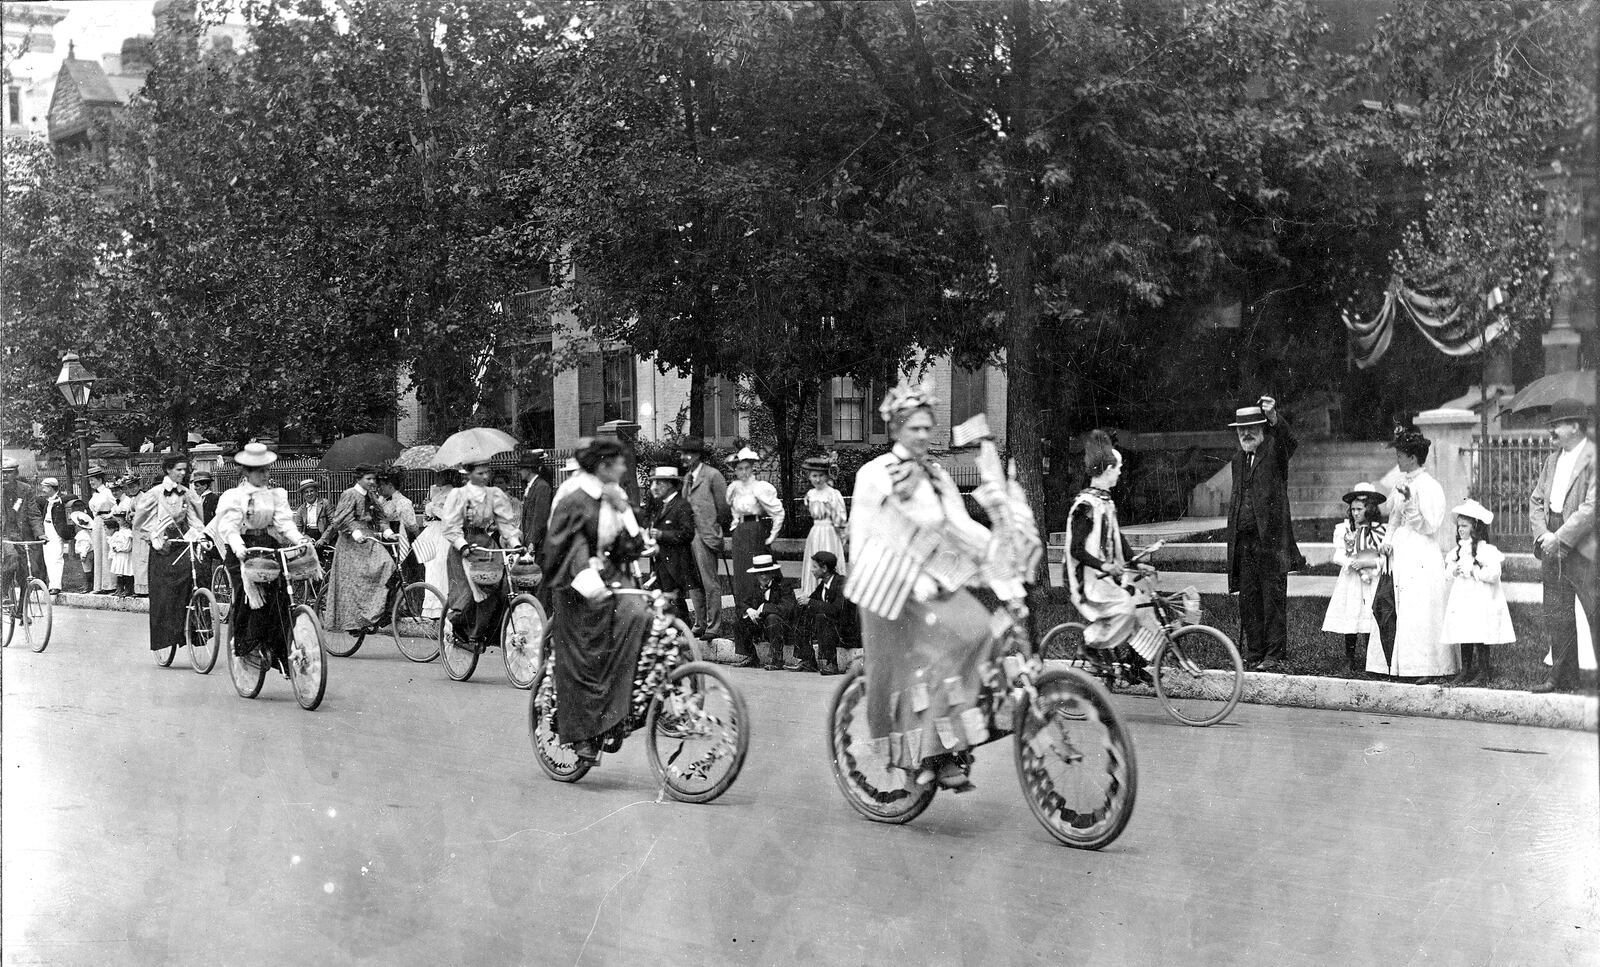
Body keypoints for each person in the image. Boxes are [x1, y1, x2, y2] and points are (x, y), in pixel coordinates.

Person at [848, 383, 994, 793]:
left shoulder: (937, 474)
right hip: (890, 587)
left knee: (980, 629)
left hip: (932, 581)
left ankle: (950, 742)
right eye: (914, 428)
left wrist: (997, 550)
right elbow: (863, 535)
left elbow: (959, 525)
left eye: (928, 427)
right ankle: (927, 755)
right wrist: (906, 580)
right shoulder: (873, 475)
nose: (923, 435)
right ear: (896, 429)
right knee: (935, 654)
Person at [543, 437, 651, 764]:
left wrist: (624, 510)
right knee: (586, 654)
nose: (623, 468)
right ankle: (582, 735)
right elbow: (563, 548)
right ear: (603, 466)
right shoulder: (574, 498)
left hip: (607, 572)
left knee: (640, 614)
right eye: (619, 463)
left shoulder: (612, 493)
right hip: (575, 583)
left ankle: (622, 711)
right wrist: (588, 579)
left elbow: (631, 546)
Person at [209, 442, 312, 674]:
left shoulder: (275, 495)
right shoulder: (234, 496)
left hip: (267, 545)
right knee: (249, 597)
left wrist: (299, 540)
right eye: (259, 471)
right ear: (246, 472)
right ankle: (247, 646)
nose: (265, 475)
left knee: (280, 597)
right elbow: (229, 527)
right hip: (242, 549)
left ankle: (281, 650)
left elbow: (284, 523)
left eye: (267, 469)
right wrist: (238, 547)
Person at [1064, 430, 1157, 686]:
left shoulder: (1106, 502)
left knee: (1146, 605)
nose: (1119, 472)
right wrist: (1105, 565)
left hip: (1106, 577)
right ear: (1106, 470)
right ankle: (1090, 645)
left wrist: (1137, 563)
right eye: (1117, 468)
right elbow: (1076, 550)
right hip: (1086, 581)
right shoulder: (1085, 505)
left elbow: (1118, 540)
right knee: (1126, 607)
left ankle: (1134, 664)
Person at [1225, 396, 1304, 671]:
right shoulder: (1237, 459)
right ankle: (1255, 650)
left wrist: (1274, 418)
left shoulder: (1274, 451)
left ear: (1262, 428)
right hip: (1244, 539)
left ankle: (1274, 653)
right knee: (1248, 596)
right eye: (1241, 430)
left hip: (1269, 540)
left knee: (1272, 596)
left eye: (1252, 428)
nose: (1246, 434)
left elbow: (1290, 441)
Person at [1368, 429, 1453, 681]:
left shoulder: (1430, 487)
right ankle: (1393, 664)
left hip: (1421, 551)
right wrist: (1386, 539)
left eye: (1401, 455)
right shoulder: (1402, 483)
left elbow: (1429, 525)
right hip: (1401, 549)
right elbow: (1393, 517)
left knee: (1419, 607)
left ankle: (1425, 667)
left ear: (1414, 458)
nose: (1398, 460)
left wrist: (1412, 503)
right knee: (1396, 603)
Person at [1529, 398, 1596, 694]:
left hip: (1583, 546)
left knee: (1594, 610)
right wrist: (1543, 533)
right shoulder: (1552, 460)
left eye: (1557, 424)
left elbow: (1592, 508)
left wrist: (1561, 537)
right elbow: (1536, 499)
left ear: (1576, 426)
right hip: (1551, 540)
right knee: (1556, 611)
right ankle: (1562, 677)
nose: (1552, 431)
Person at [440, 460, 521, 650]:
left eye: (487, 473)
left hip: (486, 545)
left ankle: (483, 633)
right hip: (465, 547)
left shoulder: (494, 495)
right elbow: (450, 526)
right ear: (469, 475)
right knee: (468, 595)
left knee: (499, 588)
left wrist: (516, 544)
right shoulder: (458, 495)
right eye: (480, 473)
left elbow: (505, 523)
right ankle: (460, 631)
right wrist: (462, 545)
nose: (485, 477)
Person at [132, 454, 205, 658]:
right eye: (178, 469)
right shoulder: (154, 494)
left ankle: (196, 626)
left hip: (182, 543)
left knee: (198, 573)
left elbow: (195, 521)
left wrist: (200, 536)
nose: (182, 473)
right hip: (162, 548)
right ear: (168, 470)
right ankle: (167, 635)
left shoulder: (188, 495)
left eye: (184, 470)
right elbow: (140, 524)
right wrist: (155, 539)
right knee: (166, 591)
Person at [1442, 499, 1513, 686]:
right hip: (1462, 598)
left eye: (1464, 526)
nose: (1460, 530)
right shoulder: (1457, 551)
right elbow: (1447, 571)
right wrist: (1453, 571)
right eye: (1459, 526)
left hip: (1479, 598)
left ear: (1475, 527)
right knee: (1463, 631)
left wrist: (1475, 572)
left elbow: (1494, 573)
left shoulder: (1486, 550)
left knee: (1480, 632)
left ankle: (1483, 671)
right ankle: (1465, 670)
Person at [321, 465, 397, 635]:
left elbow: (380, 517)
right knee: (354, 582)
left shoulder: (371, 496)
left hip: (368, 538)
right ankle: (354, 622)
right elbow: (341, 519)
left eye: (373, 479)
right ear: (359, 479)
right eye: (368, 479)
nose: (372, 482)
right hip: (351, 542)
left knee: (388, 565)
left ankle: (376, 613)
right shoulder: (349, 494)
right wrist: (354, 531)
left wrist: (388, 532)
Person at [1322, 482, 1387, 674]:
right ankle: (1349, 658)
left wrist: (1367, 563)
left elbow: (1383, 557)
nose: (1356, 513)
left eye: (1360, 509)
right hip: (1351, 579)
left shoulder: (1379, 531)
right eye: (1353, 509)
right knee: (1352, 612)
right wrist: (1352, 562)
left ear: (1370, 509)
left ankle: (1371, 659)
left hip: (1371, 578)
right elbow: (1339, 554)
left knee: (1369, 614)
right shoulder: (1345, 530)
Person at [726, 447, 783, 629]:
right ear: (735, 470)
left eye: (746, 468)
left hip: (755, 531)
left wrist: (772, 535)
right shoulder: (733, 488)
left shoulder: (760, 488)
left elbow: (778, 512)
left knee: (756, 573)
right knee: (741, 575)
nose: (743, 472)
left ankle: (761, 613)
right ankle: (743, 616)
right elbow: (733, 511)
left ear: (752, 468)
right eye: (739, 469)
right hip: (740, 533)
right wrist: (735, 527)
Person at [678, 438, 730, 638]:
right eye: (682, 453)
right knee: (693, 582)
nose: (683, 457)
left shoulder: (712, 475)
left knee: (709, 582)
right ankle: (699, 624)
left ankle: (713, 626)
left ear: (698, 455)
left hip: (705, 535)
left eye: (687, 453)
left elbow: (723, 508)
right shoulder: (688, 477)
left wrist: (713, 526)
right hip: (689, 535)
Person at [644, 466, 699, 620]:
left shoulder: (681, 505)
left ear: (669, 484)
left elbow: (688, 534)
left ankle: (683, 635)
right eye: (653, 483)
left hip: (675, 564)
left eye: (659, 483)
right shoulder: (661, 506)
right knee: (664, 602)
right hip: (661, 563)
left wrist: (663, 534)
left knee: (675, 601)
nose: (654, 488)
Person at [788, 550, 848, 675]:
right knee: (803, 609)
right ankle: (807, 659)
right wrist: (803, 601)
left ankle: (832, 663)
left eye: (814, 567)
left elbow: (837, 609)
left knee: (821, 616)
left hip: (844, 628)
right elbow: (813, 600)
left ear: (824, 568)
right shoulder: (823, 584)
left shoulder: (841, 582)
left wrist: (809, 601)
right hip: (829, 625)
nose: (812, 570)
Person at [731, 553, 796, 669]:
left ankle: (777, 659)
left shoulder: (783, 586)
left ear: (772, 573)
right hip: (762, 627)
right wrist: (749, 610)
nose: (764, 577)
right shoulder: (755, 587)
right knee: (739, 622)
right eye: (760, 574)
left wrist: (764, 608)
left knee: (772, 618)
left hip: (782, 628)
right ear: (755, 575)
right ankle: (751, 656)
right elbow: (741, 603)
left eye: (766, 573)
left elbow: (787, 608)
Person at [800, 456, 847, 598]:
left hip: (829, 531)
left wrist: (840, 531)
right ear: (809, 477)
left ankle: (833, 593)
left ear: (827, 475)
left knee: (828, 558)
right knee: (815, 560)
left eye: (821, 475)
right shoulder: (810, 494)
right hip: (816, 531)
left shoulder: (833, 494)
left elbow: (840, 517)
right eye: (814, 476)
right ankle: (813, 593)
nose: (818, 479)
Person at [1, 459, 45, 605]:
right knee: (12, 559)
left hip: (21, 535)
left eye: (9, 473)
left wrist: (40, 533)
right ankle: (3, 594)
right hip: (5, 535)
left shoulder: (25, 489)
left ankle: (21, 611)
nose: (5, 476)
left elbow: (34, 514)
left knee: (28, 571)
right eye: (3, 473)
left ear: (16, 473)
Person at [376, 468, 423, 587]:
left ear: (390, 485)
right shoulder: (380, 500)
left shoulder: (403, 502)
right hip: (384, 539)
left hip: (398, 540)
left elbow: (412, 526)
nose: (378, 488)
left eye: (381, 485)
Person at [87, 466, 117, 594]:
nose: (91, 482)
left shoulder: (108, 492)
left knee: (106, 551)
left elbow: (117, 504)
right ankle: (99, 586)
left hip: (106, 522)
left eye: (93, 480)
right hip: (97, 522)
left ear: (100, 479)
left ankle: (110, 585)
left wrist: (110, 515)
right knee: (98, 552)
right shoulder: (95, 494)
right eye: (90, 480)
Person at [519, 450, 554, 561]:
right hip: (529, 540)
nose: (519, 472)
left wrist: (532, 542)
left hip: (537, 543)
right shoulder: (533, 486)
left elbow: (540, 518)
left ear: (528, 470)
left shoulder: (541, 487)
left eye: (521, 469)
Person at [37, 477, 70, 595]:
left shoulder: (61, 498)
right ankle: (51, 585)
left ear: (51, 488)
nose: (43, 489)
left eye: (45, 487)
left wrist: (58, 500)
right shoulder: (47, 500)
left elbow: (74, 497)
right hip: (47, 529)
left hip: (56, 530)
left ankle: (56, 585)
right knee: (48, 558)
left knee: (56, 557)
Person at [295, 479, 331, 545]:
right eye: (306, 492)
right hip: (308, 538)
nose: (309, 494)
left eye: (311, 491)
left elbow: (333, 523)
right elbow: (298, 529)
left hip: (325, 536)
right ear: (303, 495)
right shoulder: (301, 509)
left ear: (316, 492)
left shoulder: (325, 504)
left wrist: (323, 539)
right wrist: (306, 538)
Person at [106, 517, 134, 596]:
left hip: (125, 556)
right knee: (119, 572)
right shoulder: (118, 533)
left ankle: (128, 589)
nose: (118, 522)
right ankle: (119, 589)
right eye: (117, 520)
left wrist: (118, 548)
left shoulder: (128, 533)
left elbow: (127, 547)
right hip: (119, 556)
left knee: (126, 571)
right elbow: (113, 543)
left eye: (120, 520)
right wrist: (114, 547)